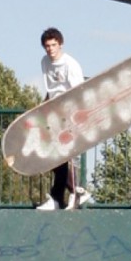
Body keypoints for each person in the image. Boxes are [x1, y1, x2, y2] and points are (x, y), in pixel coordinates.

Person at [36, 27, 93, 211]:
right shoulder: (45, 62)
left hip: (70, 112)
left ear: (60, 44)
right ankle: (62, 196)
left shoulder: (70, 64)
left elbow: (78, 93)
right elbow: (51, 89)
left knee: (64, 154)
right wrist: (42, 106)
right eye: (47, 46)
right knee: (52, 154)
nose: (50, 49)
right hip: (54, 113)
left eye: (53, 45)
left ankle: (69, 194)